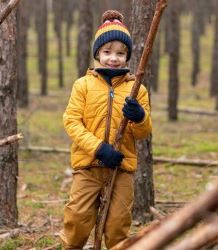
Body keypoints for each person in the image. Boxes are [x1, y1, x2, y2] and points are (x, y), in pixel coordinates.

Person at [60, 10, 152, 250]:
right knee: (78, 217)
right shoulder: (83, 85)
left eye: (121, 53)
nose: (114, 58)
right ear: (97, 53)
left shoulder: (136, 89)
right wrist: (98, 148)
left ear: (127, 56)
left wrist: (139, 117)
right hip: (88, 165)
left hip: (121, 168)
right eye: (107, 52)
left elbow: (143, 133)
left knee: (118, 224)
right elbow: (71, 122)